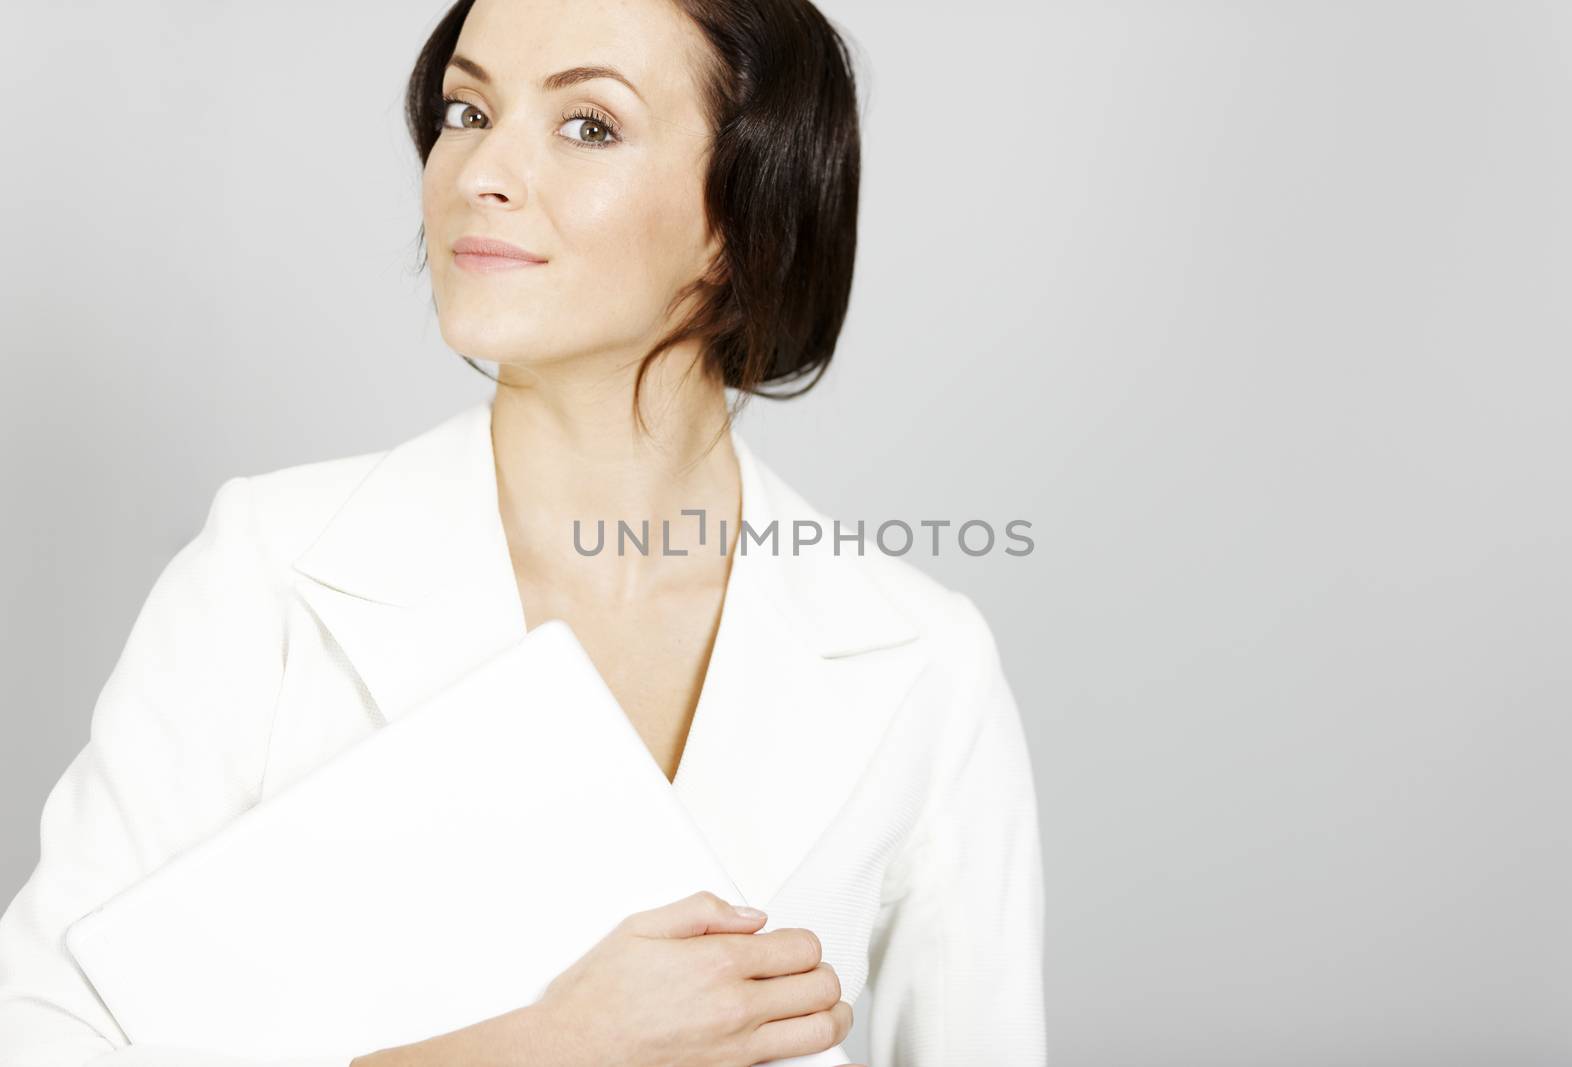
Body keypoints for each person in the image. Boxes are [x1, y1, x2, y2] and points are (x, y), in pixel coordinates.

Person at [0, 0, 1047, 1064]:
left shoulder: (922, 660)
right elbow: (38, 1033)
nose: (479, 172)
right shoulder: (265, 569)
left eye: (588, 125)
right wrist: (550, 1045)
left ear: (745, 212)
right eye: (466, 109)